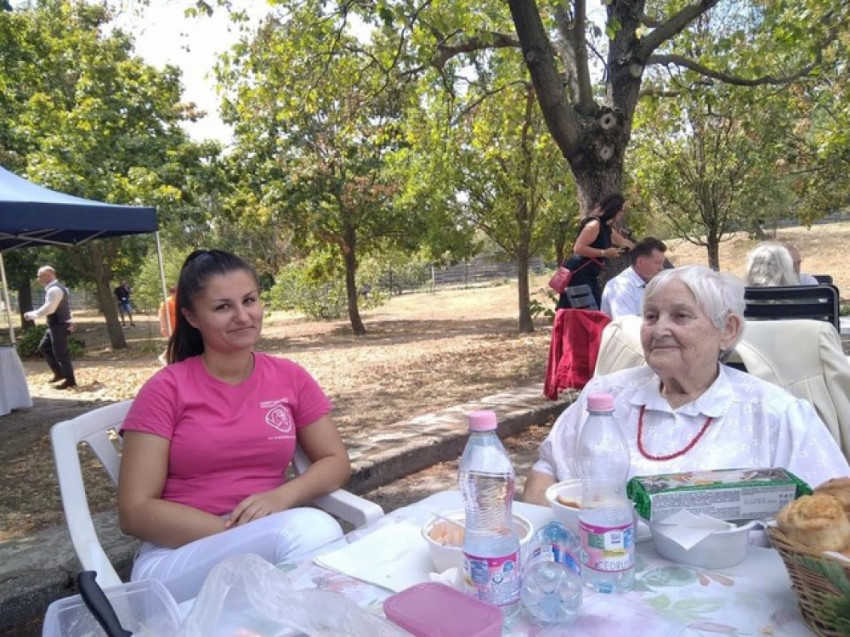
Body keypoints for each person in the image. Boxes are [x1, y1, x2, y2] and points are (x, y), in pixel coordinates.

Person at [117, 249, 351, 602]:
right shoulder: (166, 389)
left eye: (249, 300)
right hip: (178, 556)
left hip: (270, 536)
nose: (243, 316)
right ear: (191, 317)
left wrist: (283, 496)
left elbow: (335, 460)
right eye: (223, 307)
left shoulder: (289, 377)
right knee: (314, 531)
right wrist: (236, 533)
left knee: (308, 548)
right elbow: (135, 511)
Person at [524, 266, 849, 505]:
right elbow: (547, 470)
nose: (659, 330)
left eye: (680, 316)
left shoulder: (774, 413)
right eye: (651, 316)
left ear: (727, 329)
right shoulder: (605, 396)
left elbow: (834, 505)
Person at [557, 194, 635, 310]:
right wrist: (604, 253)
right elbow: (578, 248)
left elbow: (623, 242)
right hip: (578, 274)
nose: (622, 214)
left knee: (596, 308)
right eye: (621, 211)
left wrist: (640, 248)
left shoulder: (607, 228)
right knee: (583, 312)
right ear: (615, 210)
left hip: (590, 275)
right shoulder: (594, 225)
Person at [24, 266, 77, 389]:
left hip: (59, 325)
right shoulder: (58, 288)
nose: (38, 279)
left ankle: (70, 380)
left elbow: (49, 308)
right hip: (56, 324)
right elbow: (66, 307)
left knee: (61, 353)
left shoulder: (54, 290)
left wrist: (32, 315)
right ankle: (59, 373)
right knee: (45, 347)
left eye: (40, 276)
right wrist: (71, 321)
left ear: (49, 276)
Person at [600, 237, 668, 319]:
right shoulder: (621, 286)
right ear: (640, 262)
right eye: (658, 263)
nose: (661, 268)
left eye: (662, 264)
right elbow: (626, 324)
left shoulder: (651, 284)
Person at [157, 286, 177, 366]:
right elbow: (162, 316)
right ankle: (164, 356)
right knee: (174, 343)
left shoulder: (178, 301)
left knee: (176, 343)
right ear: (172, 293)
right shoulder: (167, 303)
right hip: (170, 327)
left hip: (176, 326)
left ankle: (167, 357)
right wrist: (164, 327)